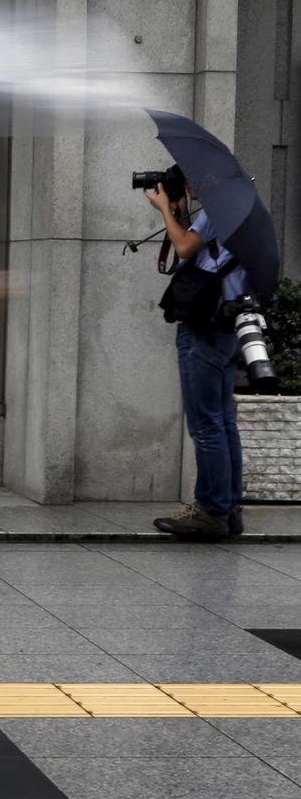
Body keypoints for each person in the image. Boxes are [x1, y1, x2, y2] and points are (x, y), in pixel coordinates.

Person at [145, 168, 247, 539]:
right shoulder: (236, 208)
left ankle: (210, 512)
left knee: (206, 426)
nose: (187, 188)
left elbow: (186, 247)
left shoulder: (217, 208)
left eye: (189, 182)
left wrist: (164, 210)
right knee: (222, 421)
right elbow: (204, 250)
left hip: (203, 325)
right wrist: (181, 211)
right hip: (227, 322)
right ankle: (229, 507)